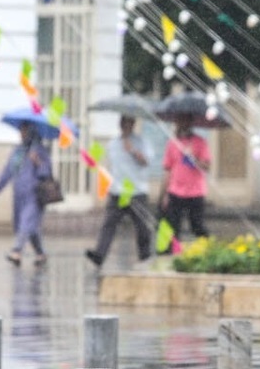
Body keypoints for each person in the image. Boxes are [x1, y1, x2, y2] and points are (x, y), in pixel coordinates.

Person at [86, 114, 154, 267]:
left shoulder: (142, 142)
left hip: (136, 191)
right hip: (117, 191)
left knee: (142, 227)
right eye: (123, 122)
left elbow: (146, 162)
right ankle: (99, 255)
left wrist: (133, 151)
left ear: (133, 124)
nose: (125, 125)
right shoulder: (113, 143)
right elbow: (106, 162)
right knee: (109, 224)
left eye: (128, 122)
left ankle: (145, 256)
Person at [0, 120, 53, 266]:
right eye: (21, 131)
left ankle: (16, 251)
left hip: (34, 194)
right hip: (19, 194)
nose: (22, 134)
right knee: (27, 226)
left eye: (25, 131)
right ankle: (40, 253)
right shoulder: (17, 151)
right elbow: (8, 171)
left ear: (31, 132)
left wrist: (38, 163)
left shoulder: (40, 150)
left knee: (27, 222)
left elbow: (47, 173)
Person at [159, 117, 211, 245]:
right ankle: (172, 252)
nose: (182, 124)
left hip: (195, 191)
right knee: (172, 226)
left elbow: (207, 166)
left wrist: (193, 157)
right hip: (175, 191)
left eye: (185, 121)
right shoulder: (172, 143)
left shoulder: (200, 142)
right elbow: (168, 169)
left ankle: (207, 248)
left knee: (197, 225)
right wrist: (163, 194)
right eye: (180, 121)